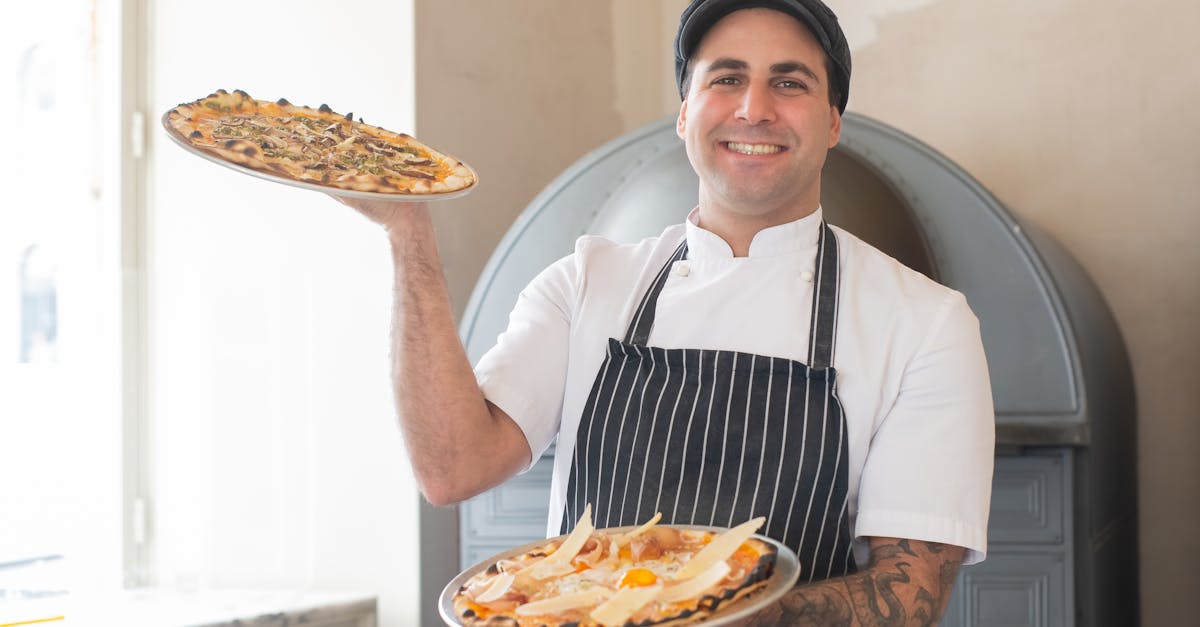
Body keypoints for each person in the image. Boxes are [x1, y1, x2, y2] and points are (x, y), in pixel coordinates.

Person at [338, 0, 995, 623]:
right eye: (726, 78)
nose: (754, 109)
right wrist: (407, 232)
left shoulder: (925, 323)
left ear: (832, 123)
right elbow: (452, 468)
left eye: (789, 83)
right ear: (685, 114)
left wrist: (700, 611)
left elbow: (909, 597)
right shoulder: (587, 282)